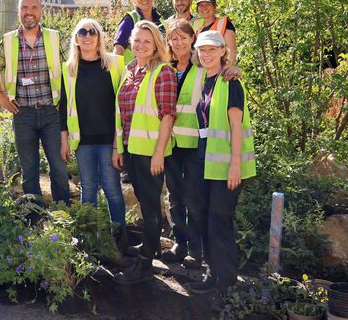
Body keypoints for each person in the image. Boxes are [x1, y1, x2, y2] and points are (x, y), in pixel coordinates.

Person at [162, 19, 241, 269]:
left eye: (183, 37)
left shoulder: (203, 68)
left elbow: (223, 75)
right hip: (172, 143)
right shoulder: (167, 68)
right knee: (175, 197)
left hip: (197, 145)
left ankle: (196, 250)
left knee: (195, 199)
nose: (178, 42)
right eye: (173, 38)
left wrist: (233, 68)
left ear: (192, 40)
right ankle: (180, 242)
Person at [187, 30, 256, 304]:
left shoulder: (231, 82)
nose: (206, 55)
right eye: (202, 50)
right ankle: (213, 273)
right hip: (205, 162)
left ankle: (227, 285)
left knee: (220, 223)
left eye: (211, 50)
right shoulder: (204, 80)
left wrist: (235, 166)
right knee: (203, 218)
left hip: (227, 165)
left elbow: (236, 128)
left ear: (222, 52)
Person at [112, 20, 177, 284]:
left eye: (147, 42)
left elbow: (167, 116)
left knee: (150, 208)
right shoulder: (130, 70)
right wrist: (119, 147)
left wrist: (159, 153)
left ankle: (145, 264)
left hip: (151, 152)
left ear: (156, 46)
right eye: (136, 40)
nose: (140, 45)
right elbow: (122, 114)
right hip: (131, 149)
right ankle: (150, 247)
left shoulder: (163, 72)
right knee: (143, 201)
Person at [0, 0, 71, 204]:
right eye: (25, 8)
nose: (29, 12)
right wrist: (2, 96)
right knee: (29, 169)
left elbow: (72, 69)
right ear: (19, 11)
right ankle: (35, 217)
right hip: (23, 113)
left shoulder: (55, 38)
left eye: (34, 8)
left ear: (41, 11)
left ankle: (63, 216)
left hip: (52, 112)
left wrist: (68, 104)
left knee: (59, 167)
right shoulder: (8, 41)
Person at [59, 18, 126, 241]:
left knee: (112, 189)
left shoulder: (116, 64)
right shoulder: (68, 69)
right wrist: (64, 140)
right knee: (88, 191)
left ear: (99, 37)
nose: (87, 36)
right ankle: (92, 240)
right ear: (76, 39)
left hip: (109, 140)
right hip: (83, 142)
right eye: (82, 32)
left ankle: (118, 238)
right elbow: (63, 108)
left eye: (92, 32)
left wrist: (119, 144)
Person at [113, 0, 166, 64]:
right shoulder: (129, 19)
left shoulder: (161, 20)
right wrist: (116, 71)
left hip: (155, 69)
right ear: (134, 0)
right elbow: (119, 47)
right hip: (133, 71)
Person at [194, 0, 237, 65]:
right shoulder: (198, 28)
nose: (204, 8)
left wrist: (225, 71)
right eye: (201, 5)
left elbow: (231, 51)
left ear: (214, 6)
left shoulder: (224, 24)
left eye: (208, 4)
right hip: (204, 71)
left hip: (220, 70)